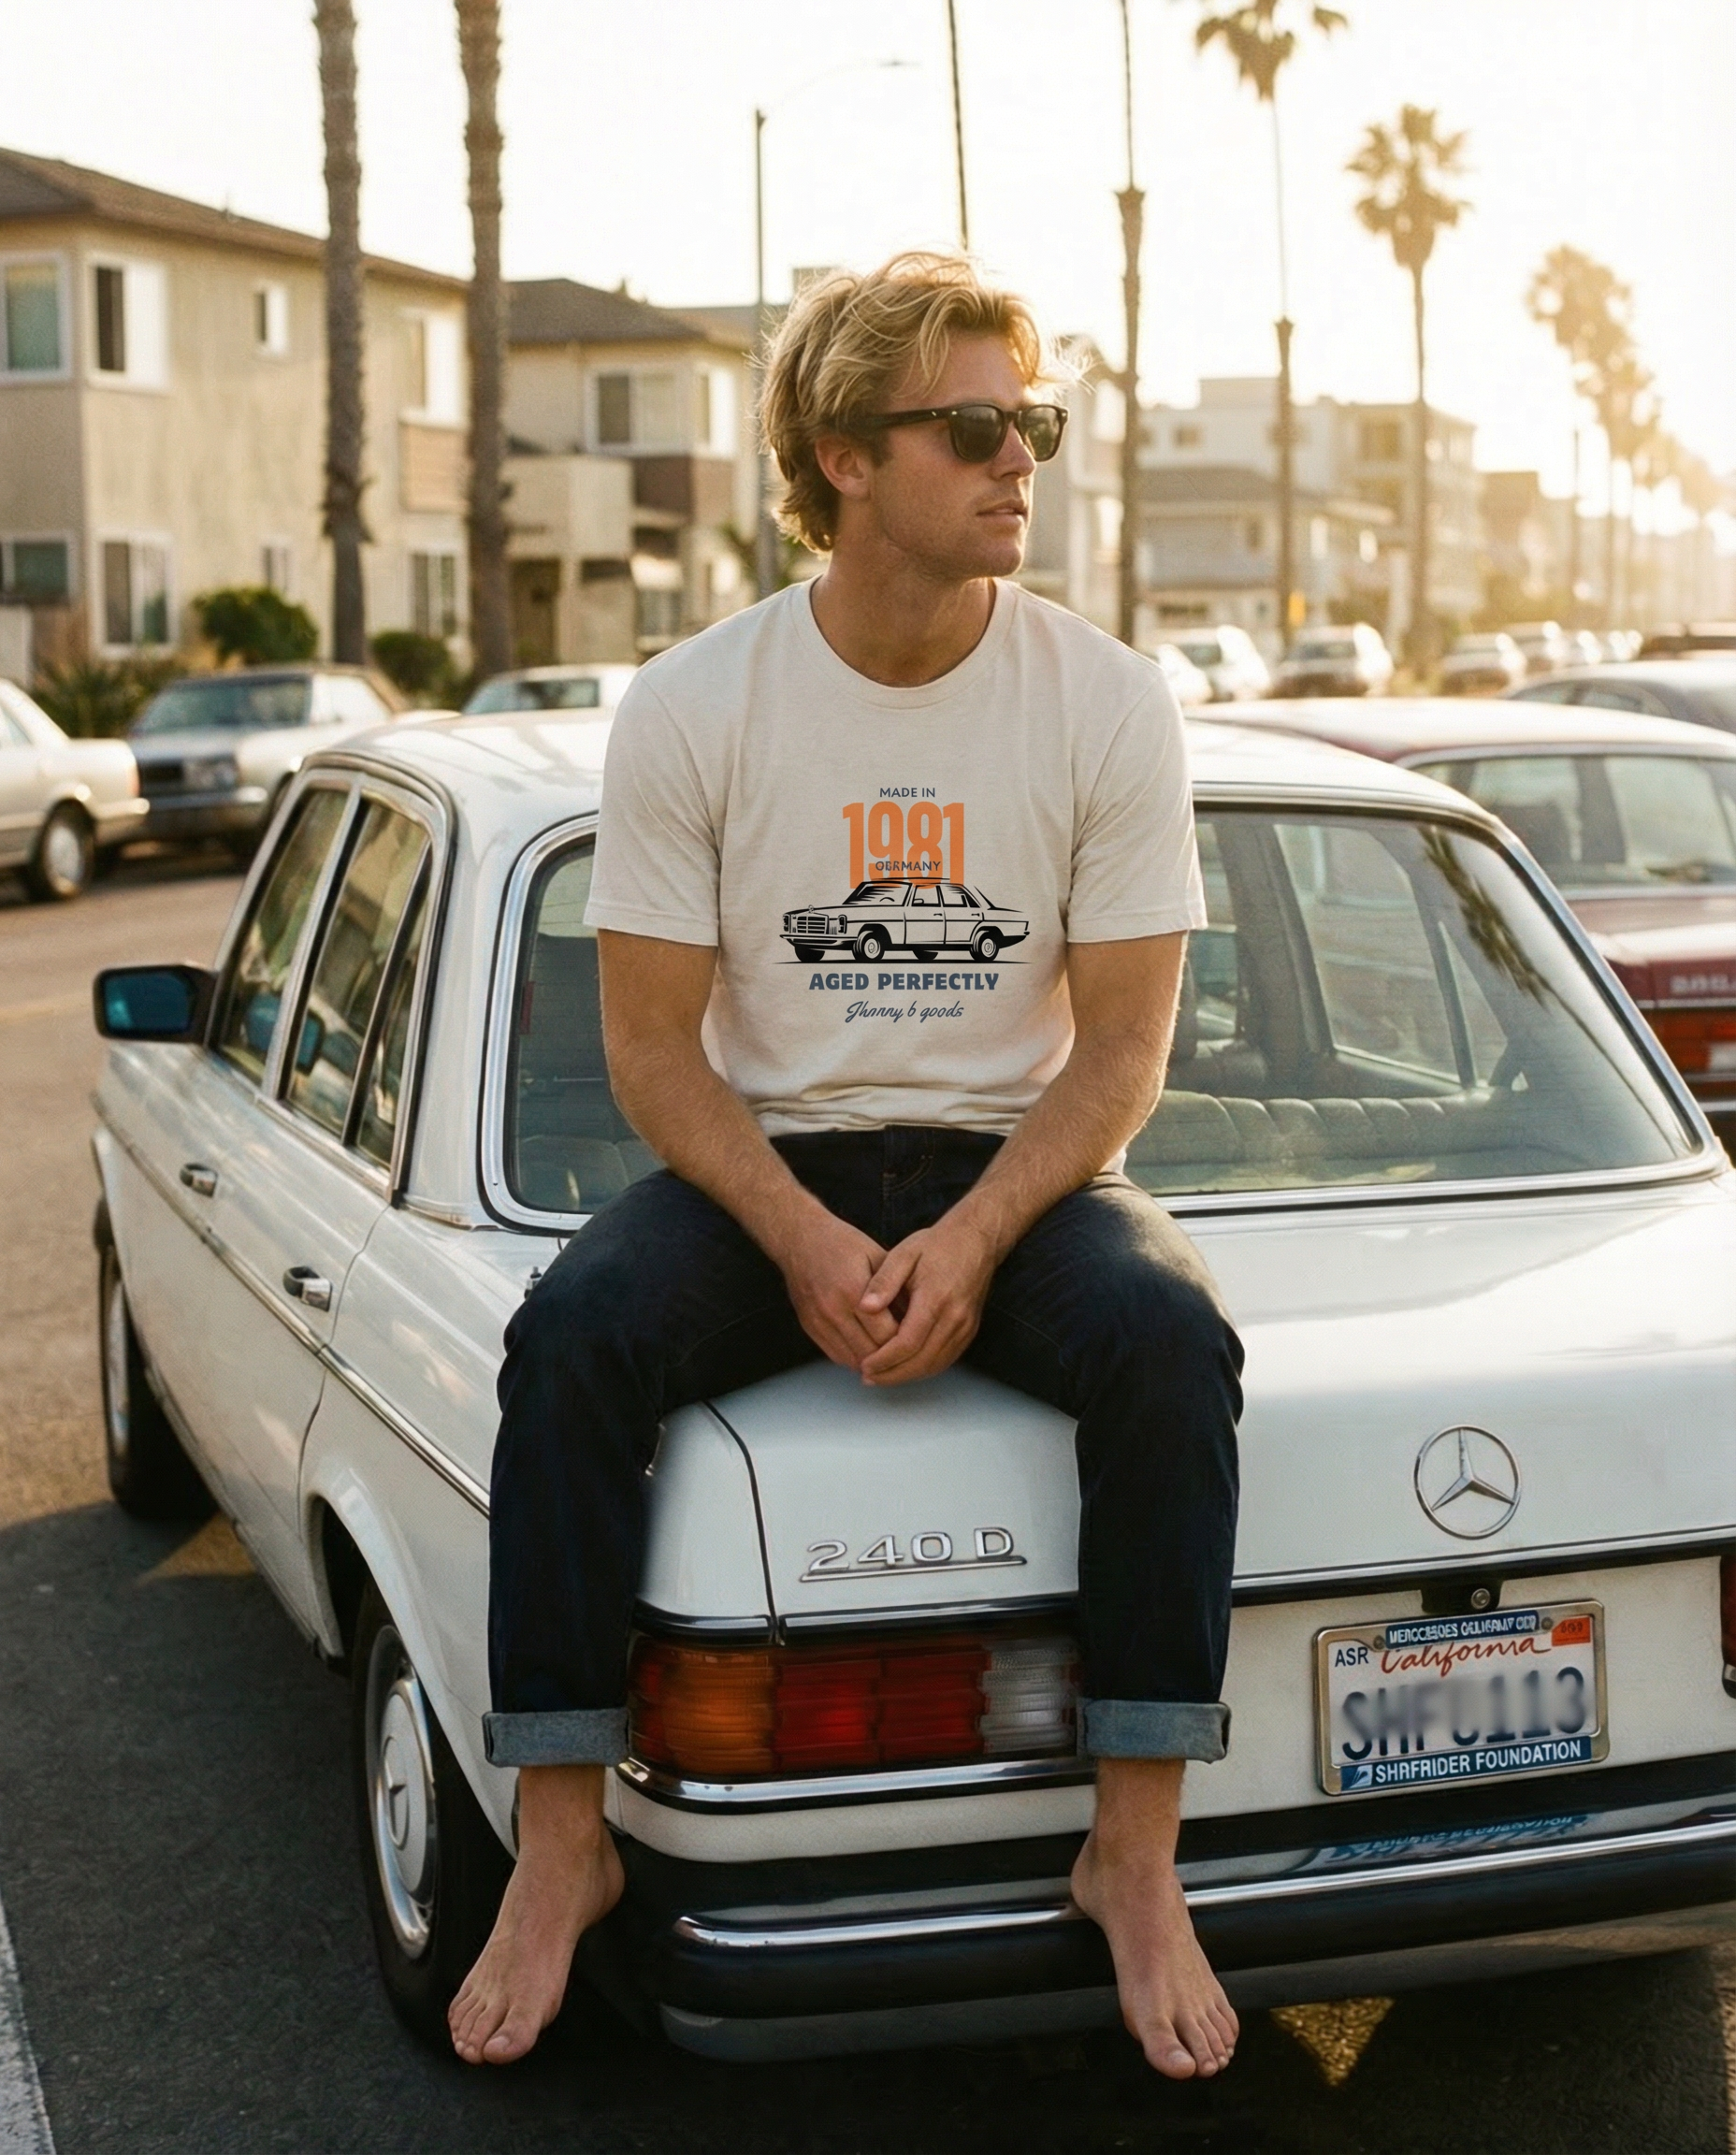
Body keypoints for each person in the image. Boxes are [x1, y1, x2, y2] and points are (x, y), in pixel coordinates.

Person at [449, 253, 1244, 2080]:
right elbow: (651, 1053)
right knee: (568, 1344)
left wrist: (972, 1237)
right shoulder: (694, 705)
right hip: (766, 1162)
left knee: (1168, 1346)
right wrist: (804, 1240)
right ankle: (561, 1846)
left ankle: (1131, 1856)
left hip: (1015, 1163)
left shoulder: (1108, 702)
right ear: (841, 454)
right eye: (972, 426)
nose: (1018, 461)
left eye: (1032, 422)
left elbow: (1122, 1053)